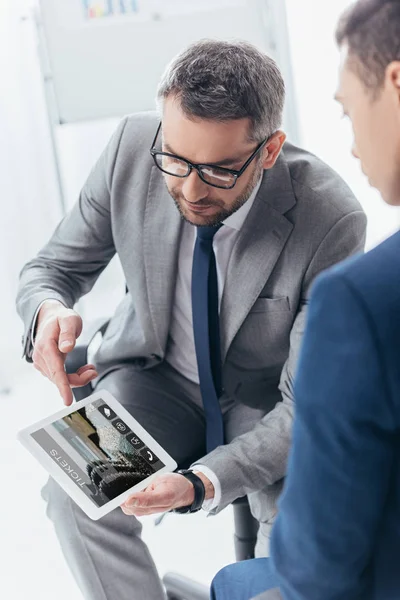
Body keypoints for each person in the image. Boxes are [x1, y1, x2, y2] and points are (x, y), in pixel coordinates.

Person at [16, 40, 366, 600]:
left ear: (270, 150)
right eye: (176, 160)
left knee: (291, 570)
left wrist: (200, 483)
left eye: (220, 170)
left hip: (267, 405)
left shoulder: (330, 219)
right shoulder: (134, 147)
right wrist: (48, 311)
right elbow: (53, 267)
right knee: (74, 494)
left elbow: (308, 404)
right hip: (155, 380)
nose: (190, 188)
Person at [211, 2, 400, 599]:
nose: (350, 145)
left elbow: (319, 566)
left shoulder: (363, 299)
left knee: (232, 584)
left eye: (349, 110)